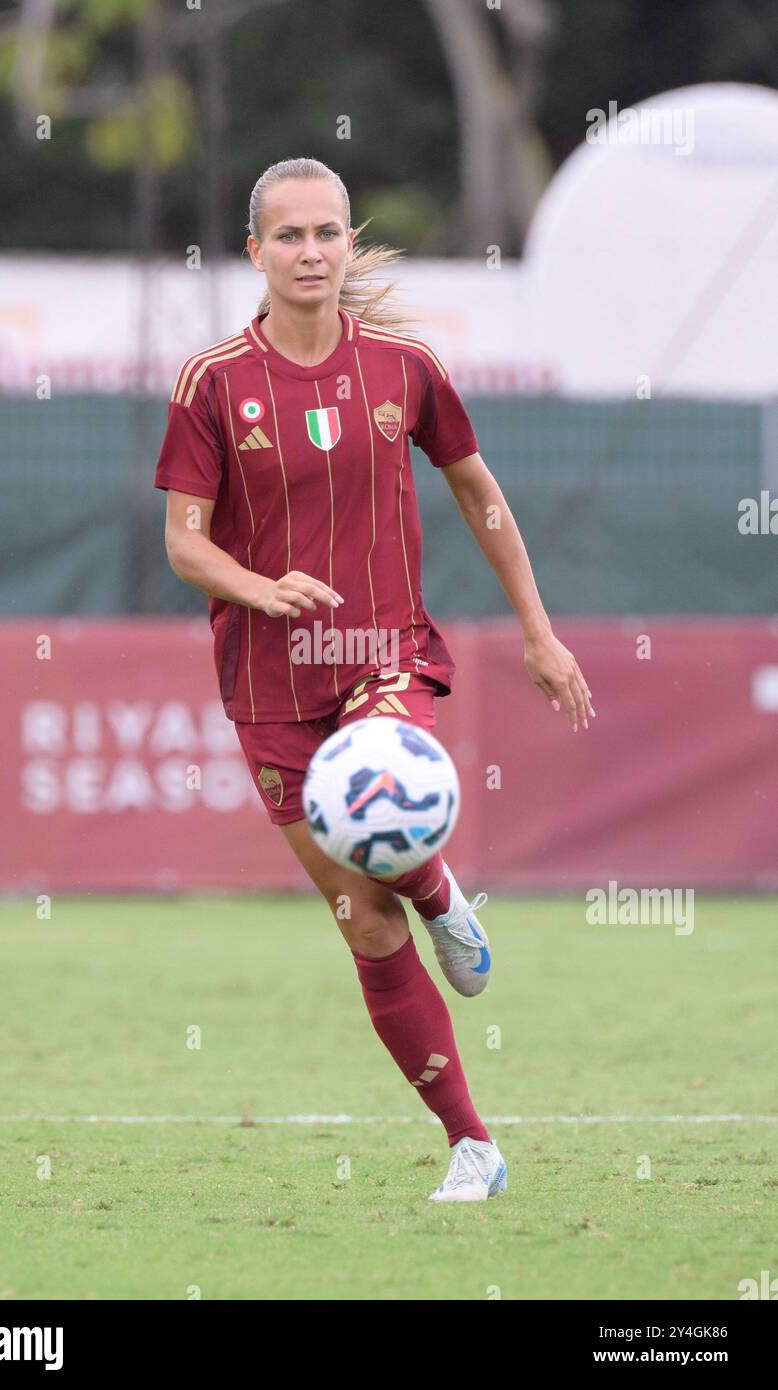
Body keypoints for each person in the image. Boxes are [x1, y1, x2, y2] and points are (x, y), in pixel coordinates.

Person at [154, 156, 595, 1203]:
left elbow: (478, 493)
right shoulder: (212, 381)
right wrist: (259, 589)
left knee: (370, 798)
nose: (312, 252)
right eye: (290, 236)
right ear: (254, 252)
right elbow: (182, 542)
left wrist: (538, 633)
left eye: (328, 233)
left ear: (348, 245)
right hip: (264, 682)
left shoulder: (402, 368)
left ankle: (436, 888)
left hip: (380, 653)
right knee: (360, 918)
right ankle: (472, 1144)